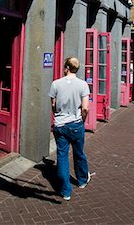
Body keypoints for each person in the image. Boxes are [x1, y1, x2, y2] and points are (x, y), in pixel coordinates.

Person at [49, 57, 90, 201]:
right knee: (79, 153)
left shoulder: (55, 84)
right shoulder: (83, 84)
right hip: (76, 124)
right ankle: (82, 180)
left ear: (66, 67)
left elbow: (53, 105)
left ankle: (66, 191)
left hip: (60, 125)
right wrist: (82, 119)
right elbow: (85, 107)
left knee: (62, 156)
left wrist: (59, 117)